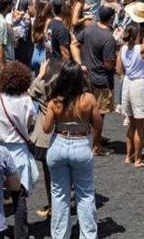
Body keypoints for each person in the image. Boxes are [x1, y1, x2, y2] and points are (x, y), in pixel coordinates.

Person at [41, 61, 102, 239]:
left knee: (59, 194)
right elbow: (98, 124)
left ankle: (60, 235)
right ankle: (88, 235)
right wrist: (94, 143)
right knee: (85, 193)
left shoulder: (55, 100)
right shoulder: (88, 99)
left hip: (59, 142)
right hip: (81, 142)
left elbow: (46, 128)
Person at [0, 62, 38, 239]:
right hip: (18, 151)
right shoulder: (26, 100)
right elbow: (29, 123)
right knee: (19, 197)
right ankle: (21, 234)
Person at [117, 2, 144, 167]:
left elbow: (119, 69)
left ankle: (129, 156)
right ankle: (138, 159)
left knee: (131, 124)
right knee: (140, 126)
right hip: (140, 84)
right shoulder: (141, 49)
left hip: (128, 83)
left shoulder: (122, 49)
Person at [77, 4, 117, 154]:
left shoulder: (89, 29)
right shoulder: (108, 38)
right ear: (111, 18)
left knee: (87, 112)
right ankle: (96, 146)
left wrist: (80, 62)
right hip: (102, 80)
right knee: (99, 114)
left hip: (88, 78)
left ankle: (95, 138)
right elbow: (108, 64)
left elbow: (75, 43)